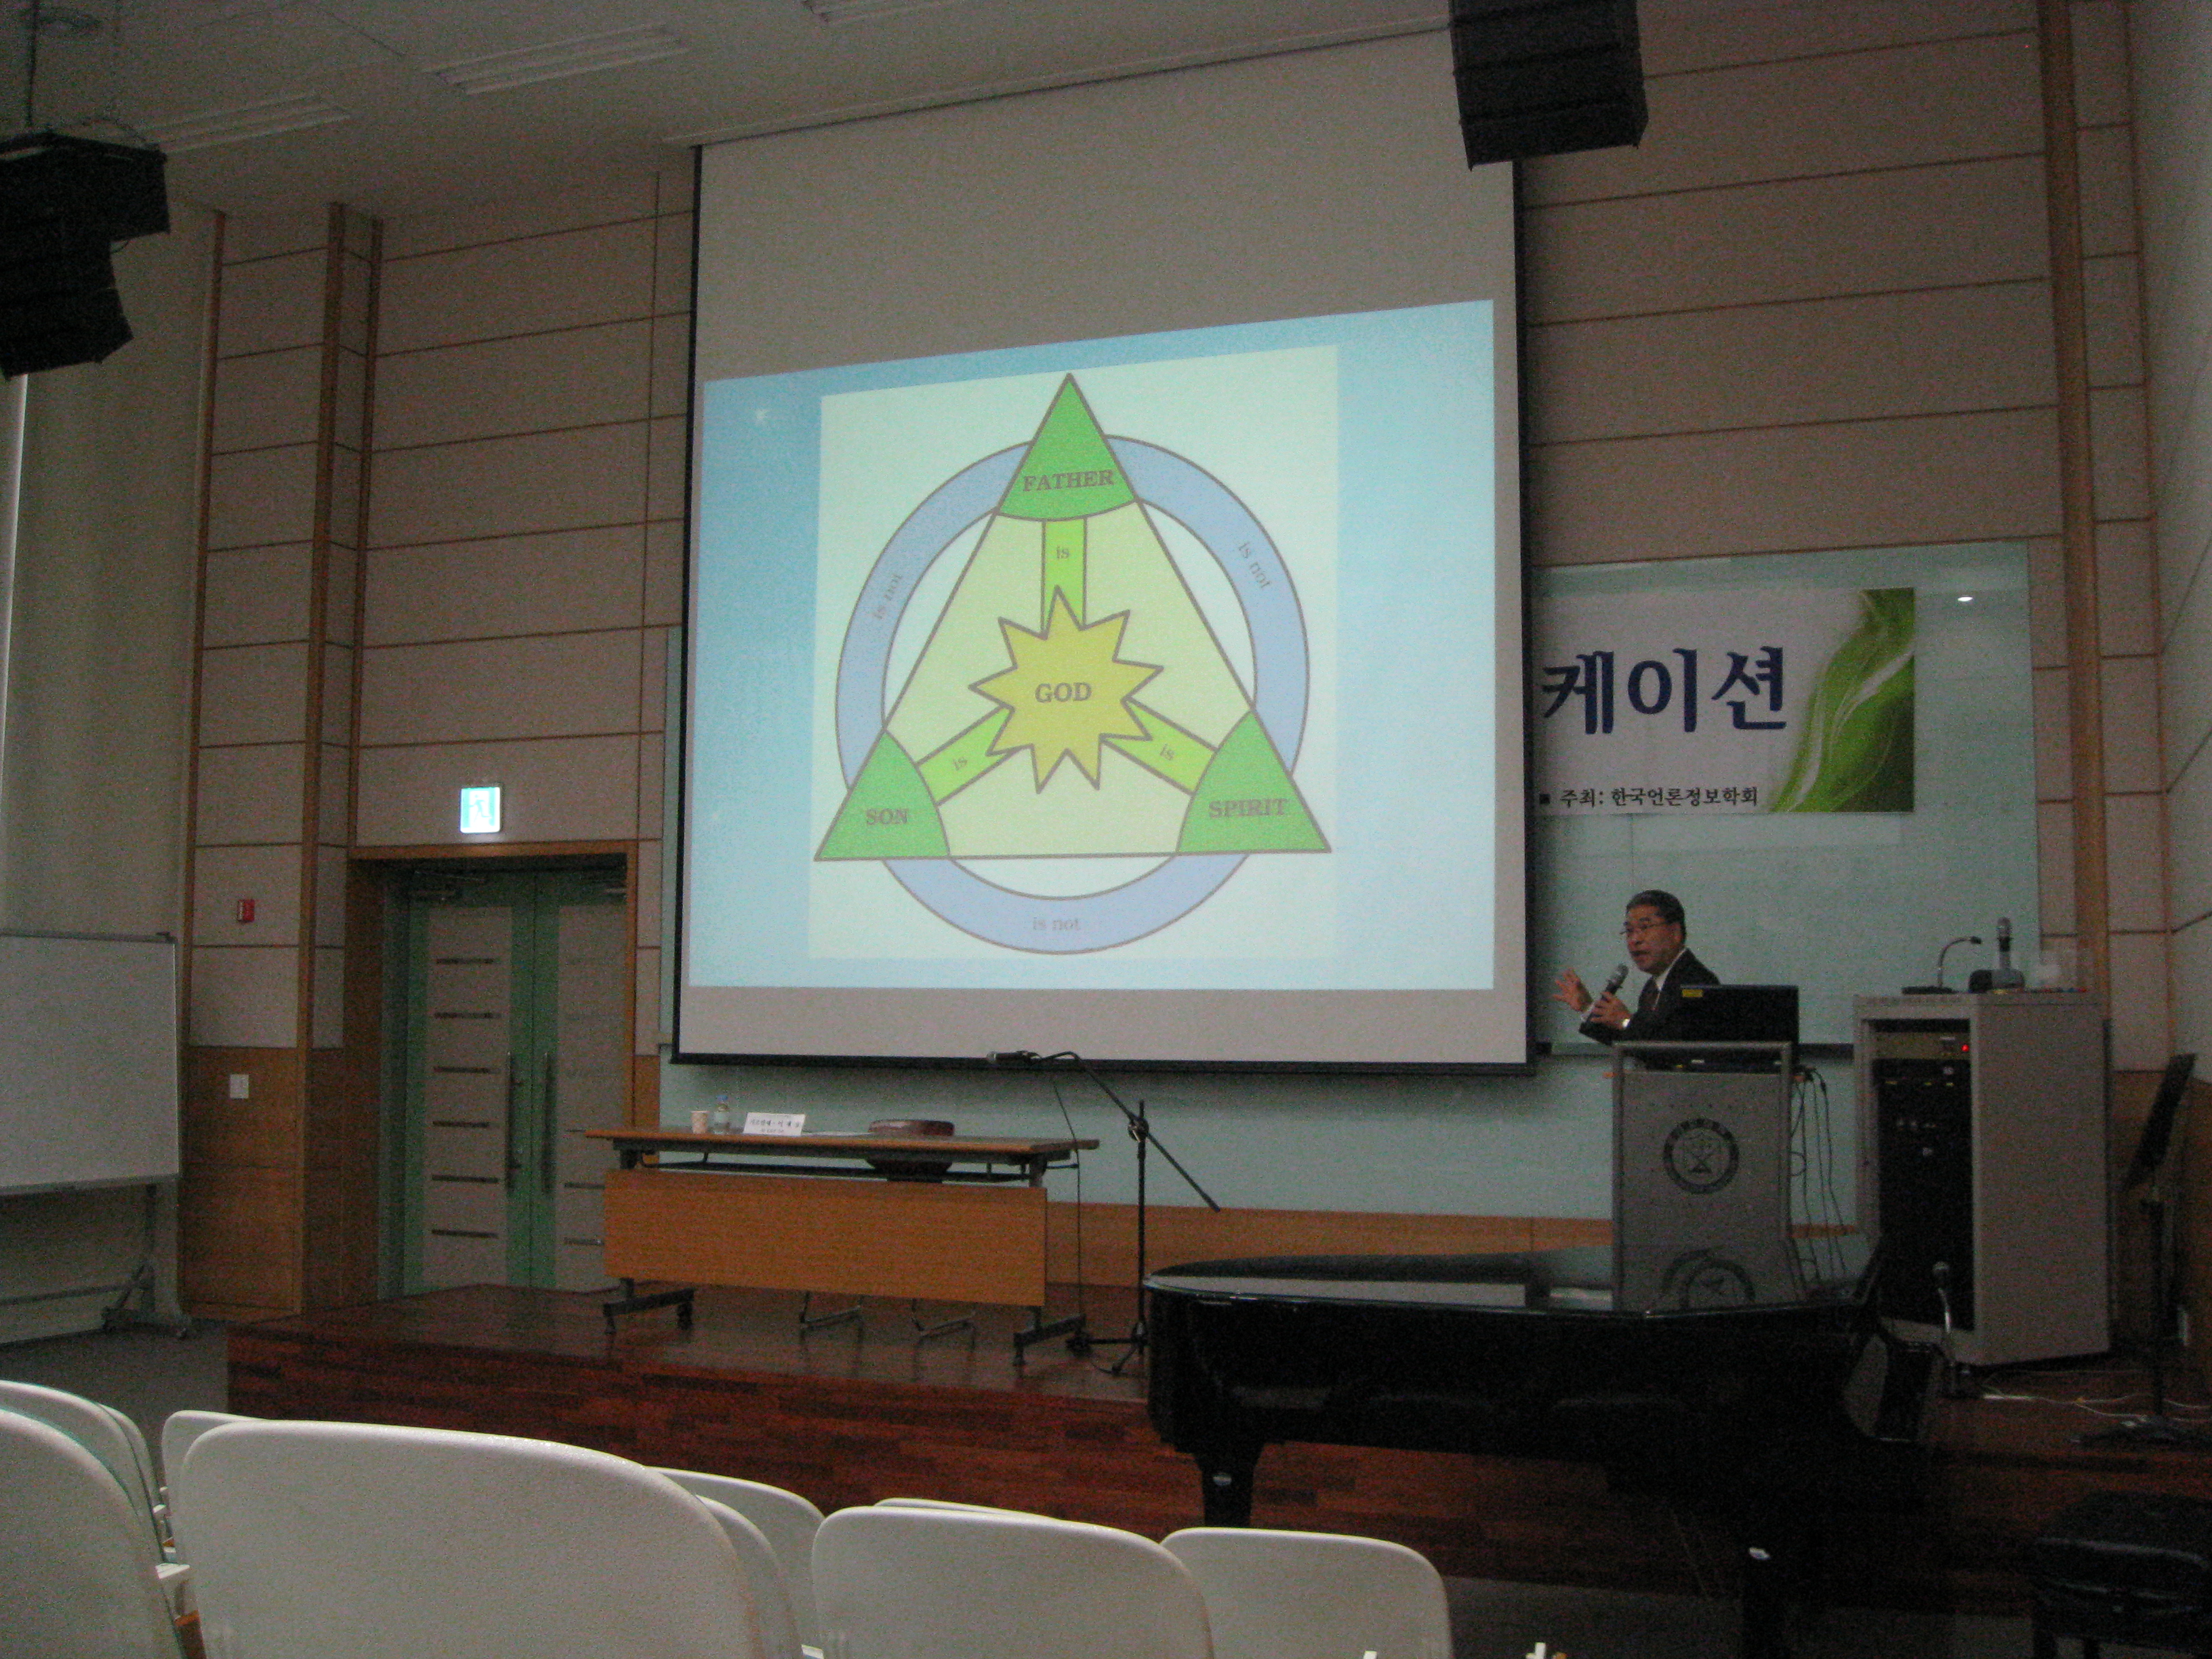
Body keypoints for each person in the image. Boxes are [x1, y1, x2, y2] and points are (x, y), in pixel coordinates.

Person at [1553, 888, 1719, 1045]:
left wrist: (1626, 1021)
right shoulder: (1653, 988)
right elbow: (1636, 1042)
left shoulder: (1696, 983)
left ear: (1675, 933)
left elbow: (1677, 1048)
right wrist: (1588, 1008)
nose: (1634, 940)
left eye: (1645, 928)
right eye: (1629, 931)